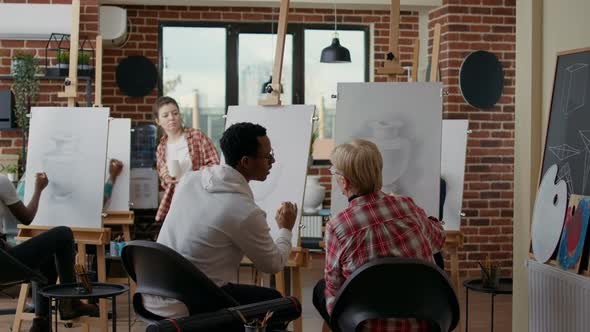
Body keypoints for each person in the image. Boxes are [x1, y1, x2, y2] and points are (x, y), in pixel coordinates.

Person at [143, 122, 297, 319]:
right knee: (281, 306)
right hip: (187, 303)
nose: (272, 162)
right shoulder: (243, 211)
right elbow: (273, 264)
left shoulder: (189, 180)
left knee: (264, 297)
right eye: (268, 157)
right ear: (246, 162)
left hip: (153, 293)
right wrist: (286, 229)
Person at [313, 139, 446, 331]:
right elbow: (438, 241)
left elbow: (334, 286)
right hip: (425, 322)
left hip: (365, 325)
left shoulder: (338, 226)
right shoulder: (407, 206)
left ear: (344, 181)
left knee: (321, 290)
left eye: (334, 173)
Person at [0, 173, 97, 332]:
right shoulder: (2, 181)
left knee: (47, 252)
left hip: (3, 258)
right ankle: (69, 302)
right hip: (4, 266)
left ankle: (41, 321)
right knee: (64, 234)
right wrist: (38, 188)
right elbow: (26, 217)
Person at [154, 96, 220, 222]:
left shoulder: (196, 136)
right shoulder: (161, 147)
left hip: (199, 197)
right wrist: (165, 177)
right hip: (177, 202)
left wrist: (196, 175)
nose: (171, 118)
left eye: (175, 113)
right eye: (165, 115)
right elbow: (164, 182)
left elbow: (215, 165)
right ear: (158, 121)